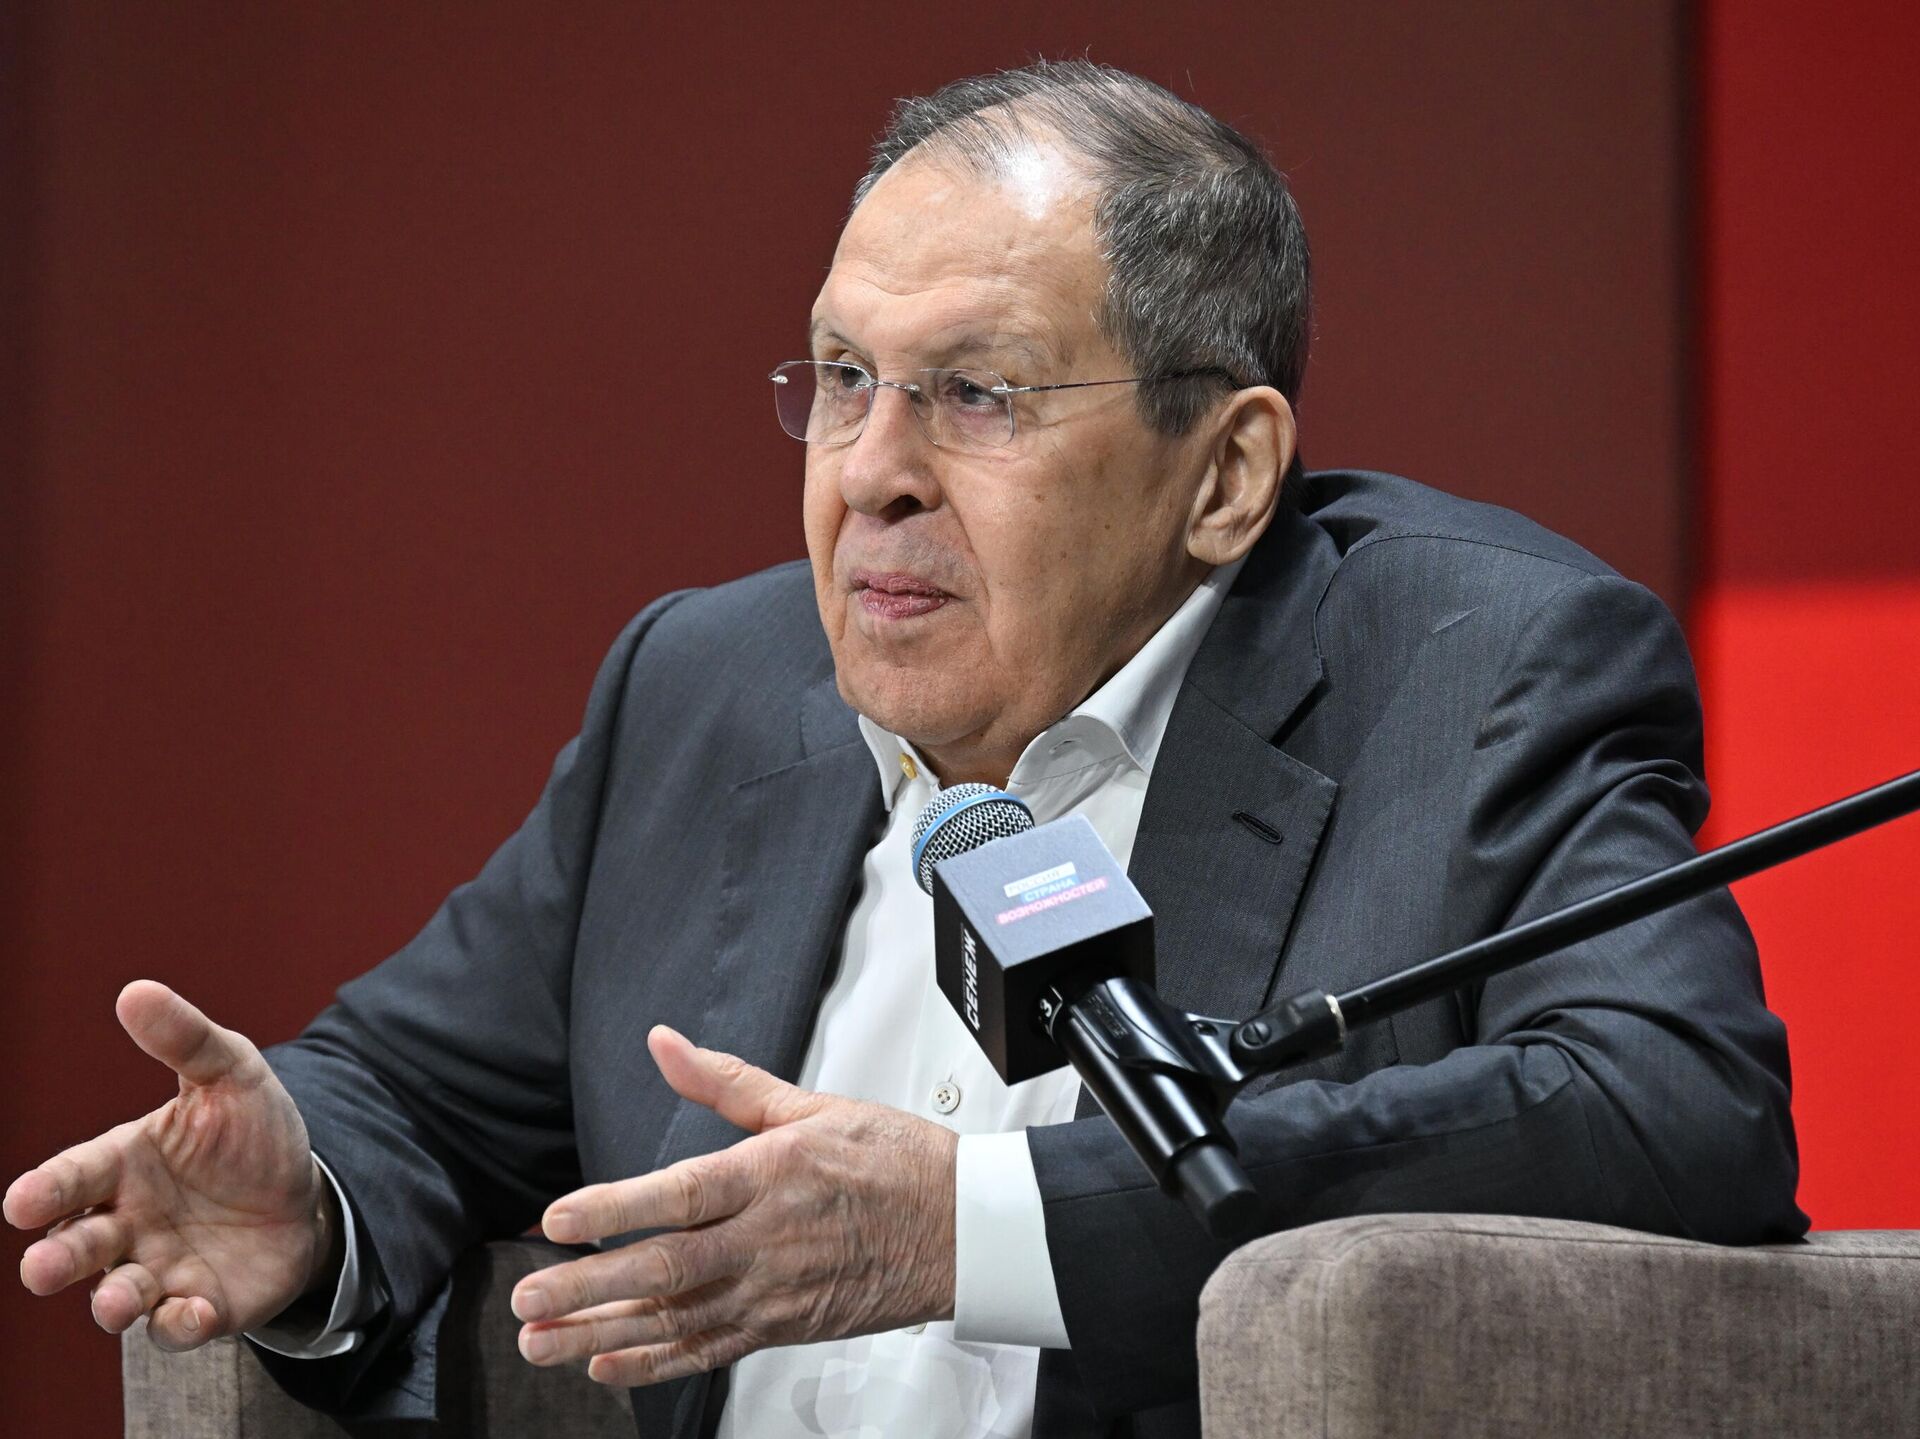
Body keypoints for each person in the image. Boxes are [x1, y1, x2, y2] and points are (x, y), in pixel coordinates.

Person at [5, 61, 1805, 1439]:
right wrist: (307, 1201)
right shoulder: (710, 688)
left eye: (978, 395)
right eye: (842, 378)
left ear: (1226, 476)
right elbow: (410, 1088)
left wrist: (976, 1226)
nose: (871, 471)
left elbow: (1675, 1110)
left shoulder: (1472, 672)